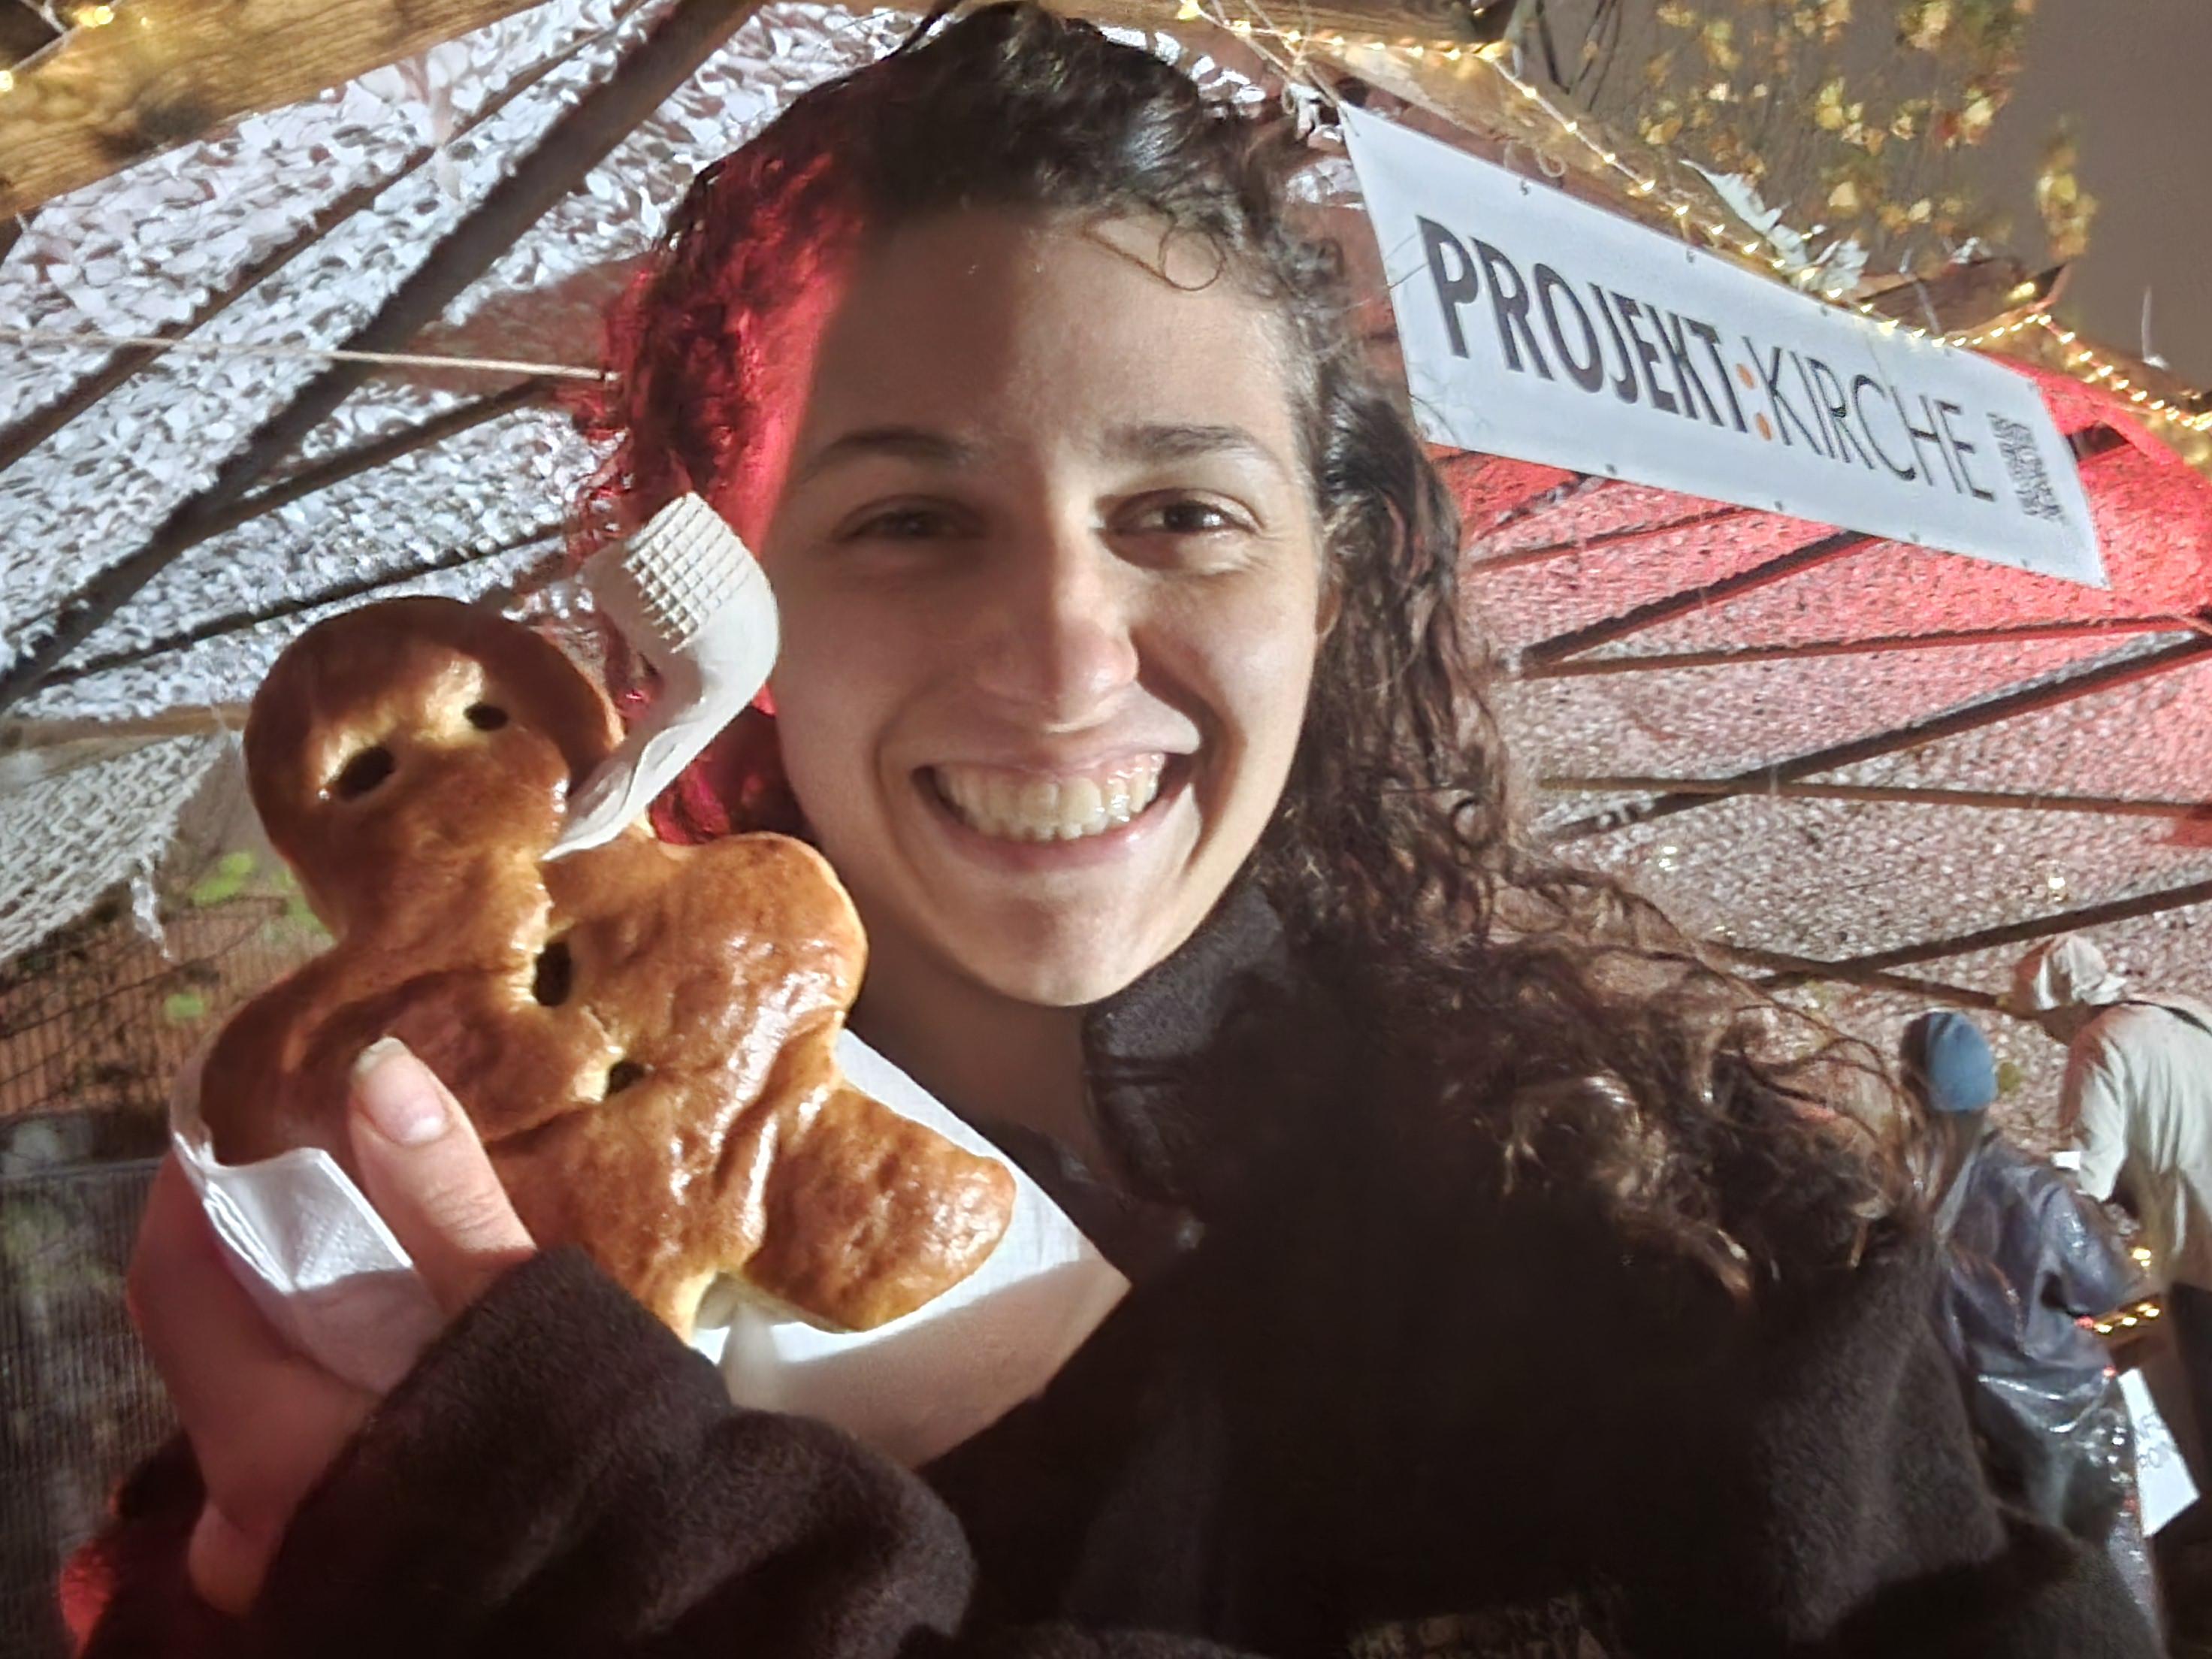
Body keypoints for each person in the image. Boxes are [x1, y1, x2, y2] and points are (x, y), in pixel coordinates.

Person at [72, 9, 2157, 1655]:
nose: (1065, 654)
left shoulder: (1707, 1267)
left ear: (1326, 584)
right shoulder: (398, 1319)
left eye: (1180, 512)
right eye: (911, 519)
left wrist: (648, 1583)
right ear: (728, 614)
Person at [1901, 1011, 2156, 1621]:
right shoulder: (2034, 1190)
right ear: (1986, 1087)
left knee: (2023, 1586)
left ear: (1909, 1089)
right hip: (2070, 1418)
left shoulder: (1900, 1193)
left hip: (1966, 1423)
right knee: (2112, 1572)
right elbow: (2106, 1286)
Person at [2008, 936, 2212, 1469]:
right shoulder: (2188, 1015)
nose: (2045, 1032)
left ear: (2065, 1003)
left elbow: (2086, 1173)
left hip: (2201, 1252)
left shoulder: (2099, 1042)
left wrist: (2039, 1201)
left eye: (2043, 1018)